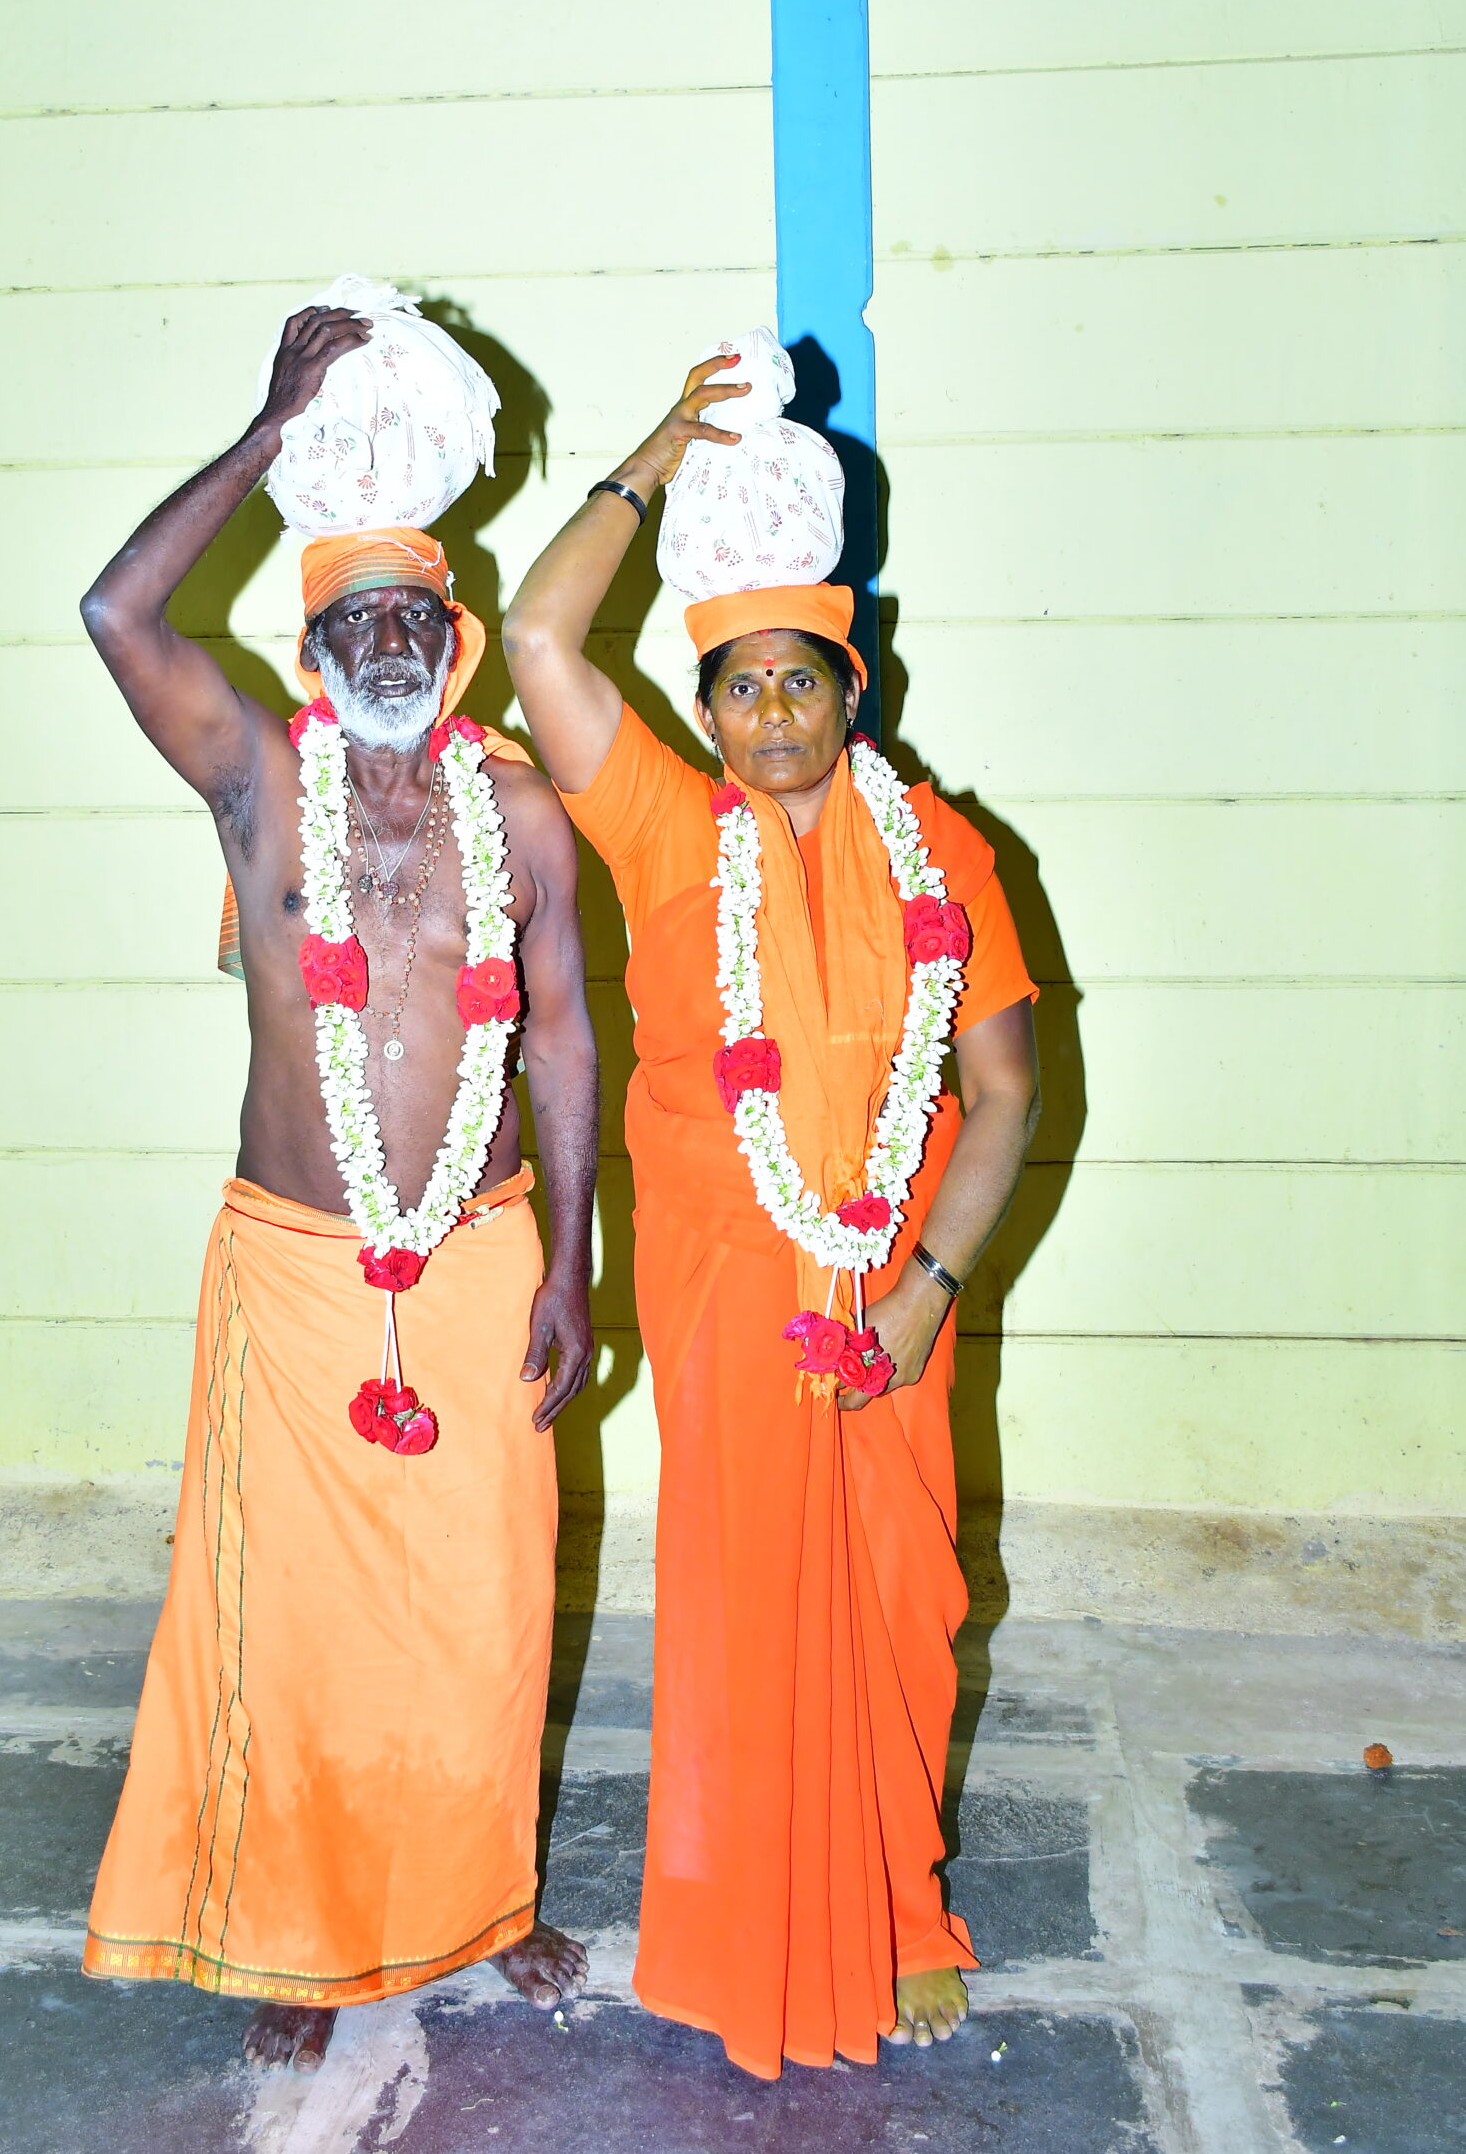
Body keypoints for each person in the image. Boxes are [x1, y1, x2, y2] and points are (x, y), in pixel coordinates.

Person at [502, 354, 1041, 2081]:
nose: (775, 715)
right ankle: (741, 1924)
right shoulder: (669, 833)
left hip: (890, 1296)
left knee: (902, 1600)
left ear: (849, 687)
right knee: (746, 1612)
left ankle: (901, 1912)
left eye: (802, 679)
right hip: (732, 1297)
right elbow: (538, 639)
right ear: (711, 710)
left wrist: (928, 1288)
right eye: (741, 687)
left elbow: (1007, 1092)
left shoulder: (944, 850)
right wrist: (654, 457)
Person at [78, 304, 597, 2069]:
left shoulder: (521, 817)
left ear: (453, 642)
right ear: (312, 649)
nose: (386, 641)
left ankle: (487, 1901)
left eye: (412, 618)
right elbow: (118, 615)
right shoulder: (258, 781)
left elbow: (566, 1045)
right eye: (353, 619)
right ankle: (302, 1937)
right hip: (298, 1272)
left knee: (484, 1605)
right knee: (296, 1624)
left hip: (480, 1254)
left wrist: (571, 1264)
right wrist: (267, 426)